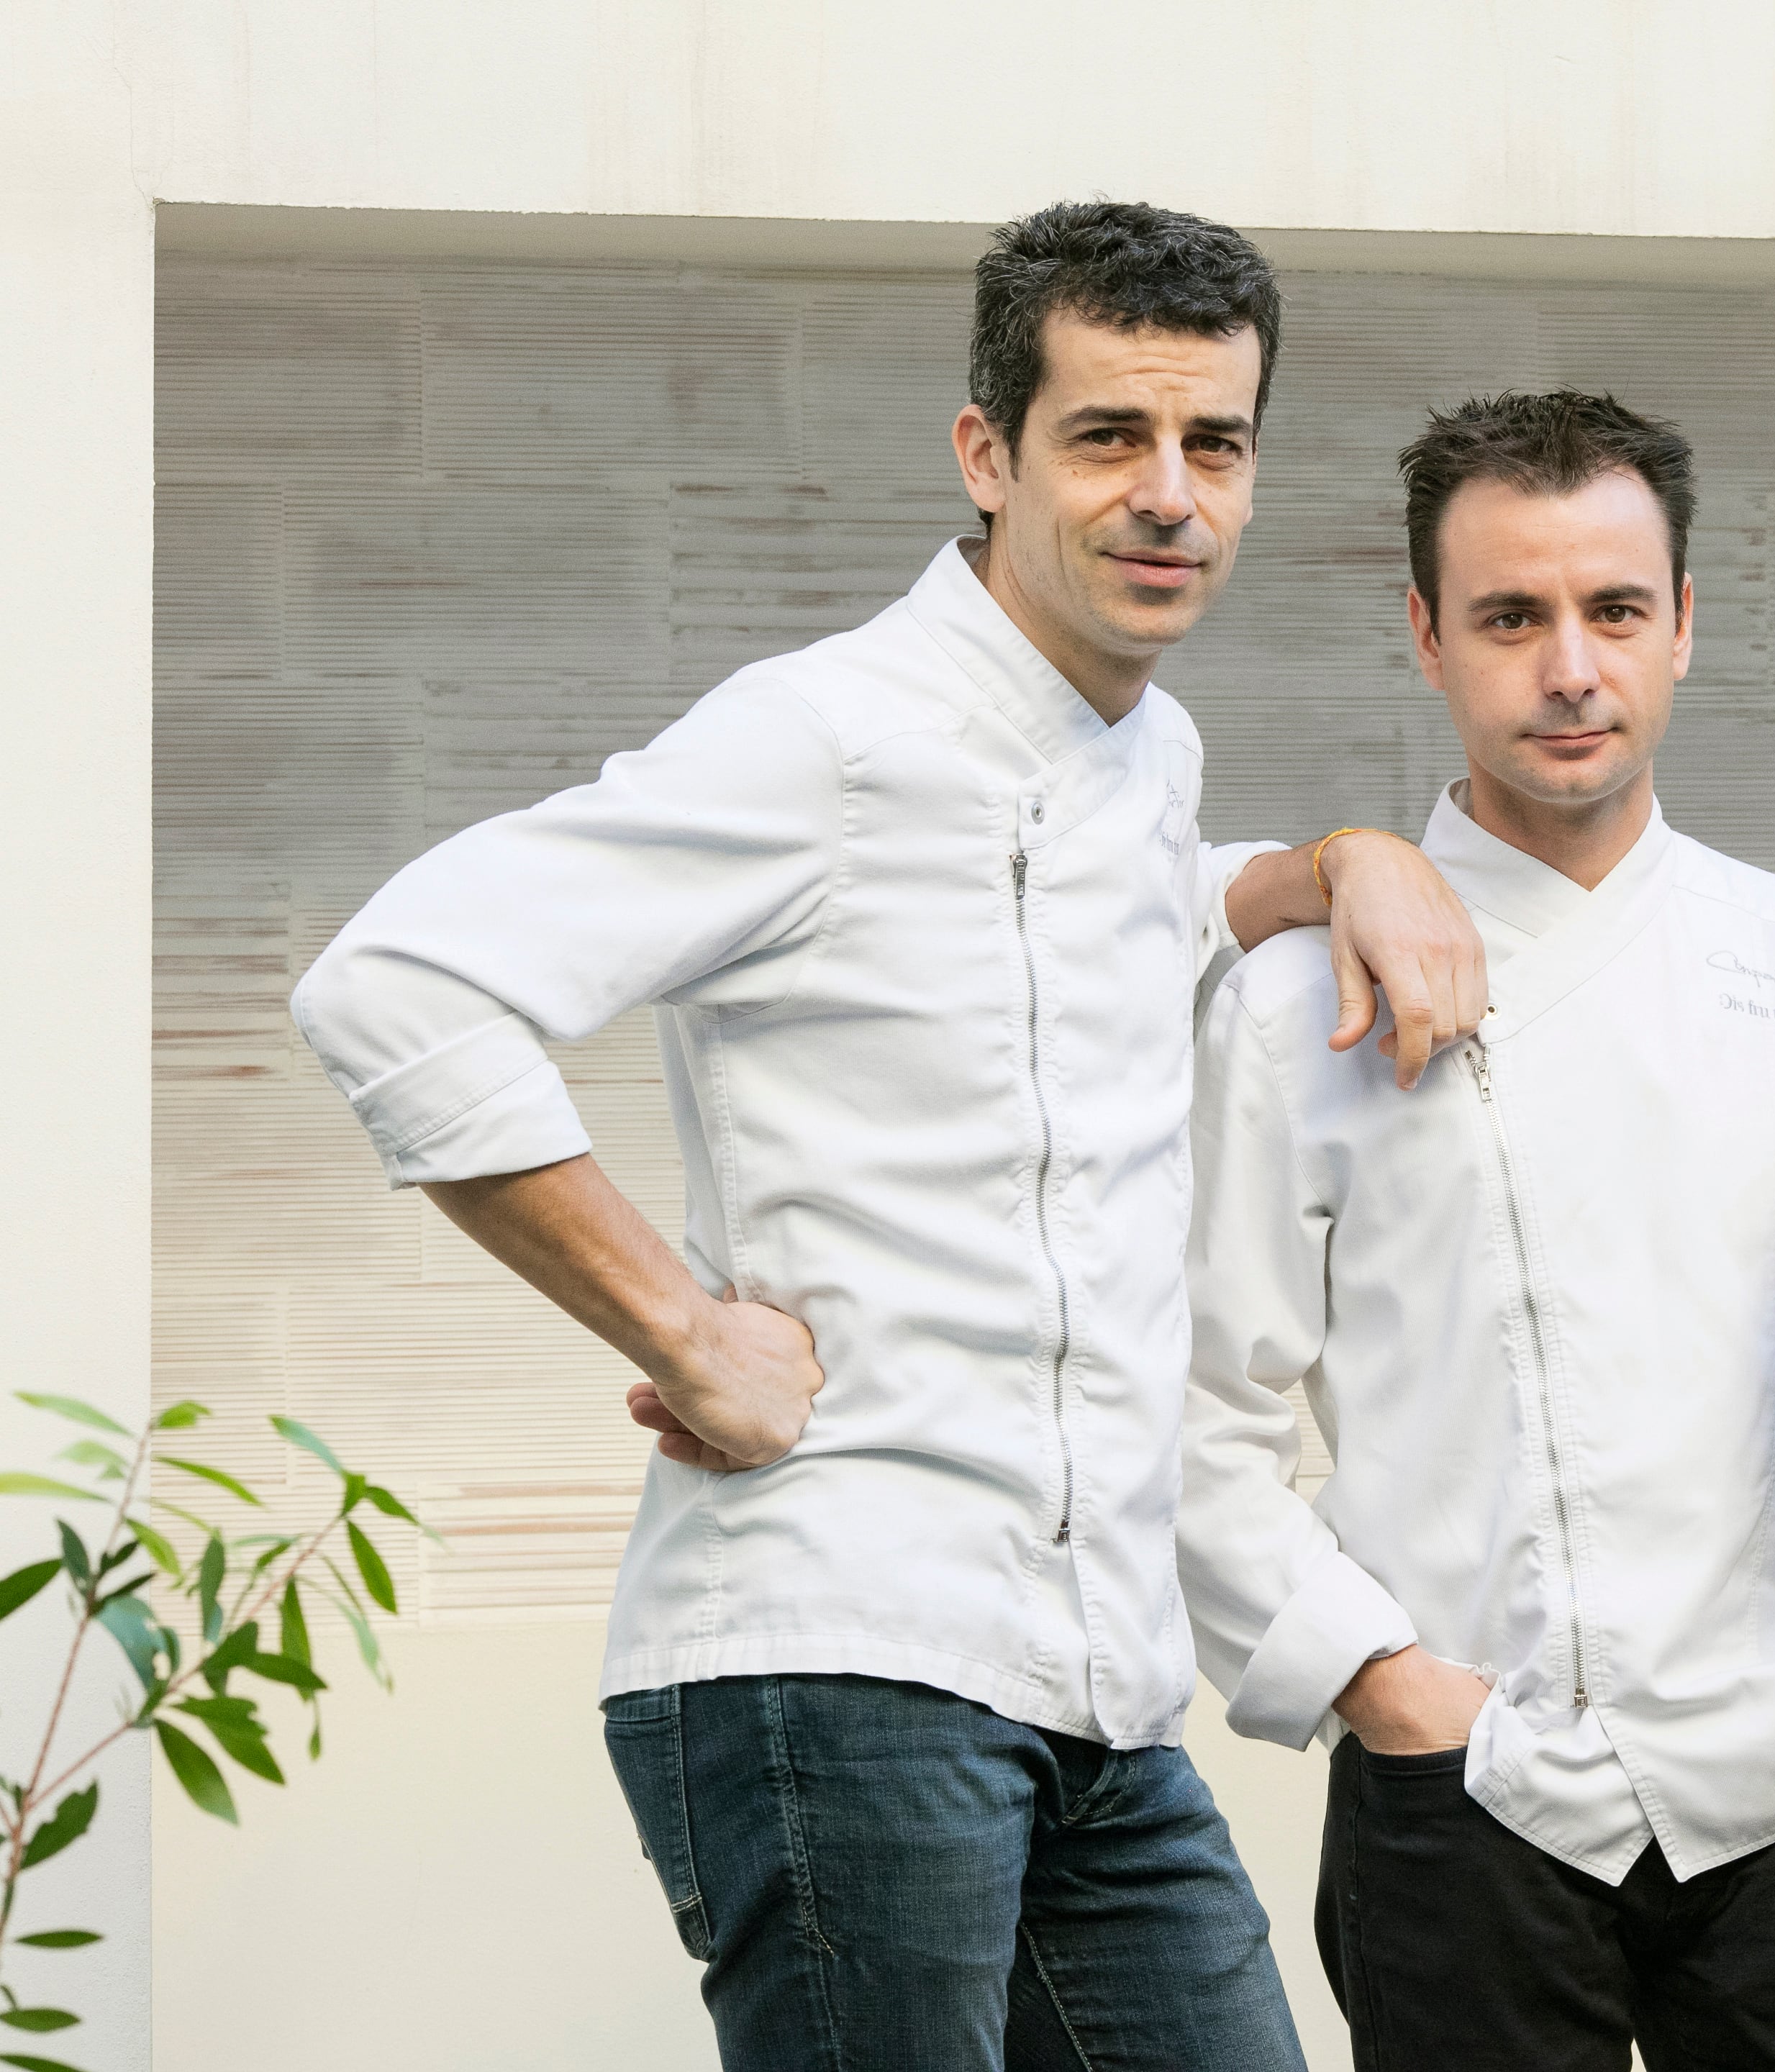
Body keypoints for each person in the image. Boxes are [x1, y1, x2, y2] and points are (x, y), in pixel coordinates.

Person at [289, 201, 1489, 2072]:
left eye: (1216, 443)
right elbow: (401, 985)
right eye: (1109, 437)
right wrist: (683, 1333)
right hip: (843, 1657)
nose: (1170, 493)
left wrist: (1346, 861)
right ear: (987, 452)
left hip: (1094, 1685)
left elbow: (1133, 905)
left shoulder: (1137, 752)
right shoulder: (828, 740)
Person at [1177, 391, 1775, 2072]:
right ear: (1425, 635)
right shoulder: (1291, 1002)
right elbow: (1193, 1415)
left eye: (1616, 611)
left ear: (1684, 623)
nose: (1570, 668)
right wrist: (1390, 1692)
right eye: (1511, 617)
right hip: (1465, 1808)